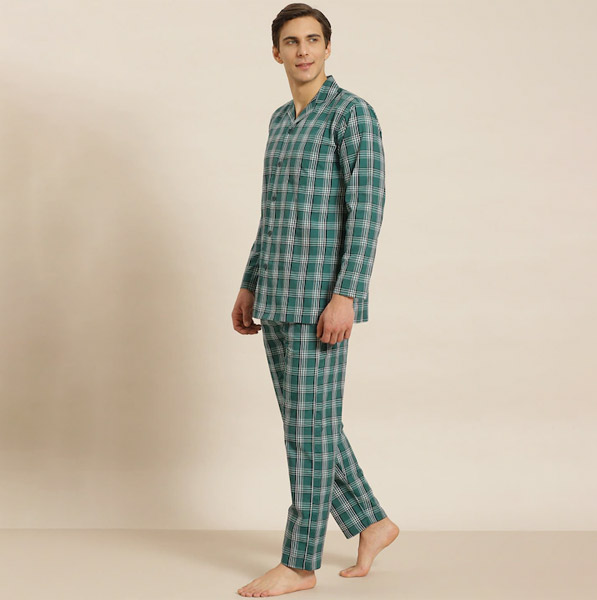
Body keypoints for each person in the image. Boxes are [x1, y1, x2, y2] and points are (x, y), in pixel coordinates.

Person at [231, 3, 399, 596]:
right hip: (276, 294)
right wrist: (250, 282)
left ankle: (300, 562)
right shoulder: (280, 121)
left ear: (328, 47)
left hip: (321, 301)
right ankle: (372, 522)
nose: (302, 50)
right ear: (275, 52)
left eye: (312, 39)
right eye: (291, 41)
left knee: (308, 431)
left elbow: (367, 211)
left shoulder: (352, 114)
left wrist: (347, 293)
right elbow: (271, 213)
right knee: (311, 426)